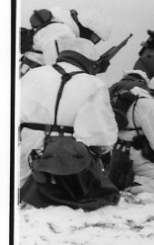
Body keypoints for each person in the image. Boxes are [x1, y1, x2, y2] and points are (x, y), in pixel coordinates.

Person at [18, 37, 120, 210]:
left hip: (26, 147)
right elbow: (99, 135)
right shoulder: (94, 84)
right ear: (90, 61)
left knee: (19, 192)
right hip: (64, 157)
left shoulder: (33, 74)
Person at [31, 7, 112, 66]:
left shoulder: (62, 22)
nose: (92, 42)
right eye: (94, 38)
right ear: (89, 29)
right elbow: (58, 69)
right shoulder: (65, 33)